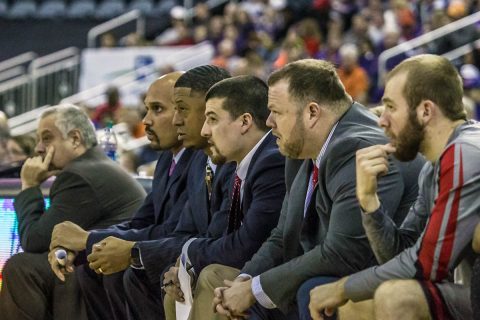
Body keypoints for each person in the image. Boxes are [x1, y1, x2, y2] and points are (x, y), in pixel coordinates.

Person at [211, 59, 425, 320]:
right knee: (222, 287)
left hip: (386, 277)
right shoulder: (299, 149)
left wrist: (254, 291)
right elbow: (282, 234)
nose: (268, 122)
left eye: (276, 112)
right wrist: (244, 281)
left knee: (310, 290)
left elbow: (344, 252)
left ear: (312, 113)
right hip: (331, 272)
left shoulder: (358, 147)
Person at [308, 54, 480, 320]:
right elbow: (399, 253)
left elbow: (427, 265)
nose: (382, 120)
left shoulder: (463, 153)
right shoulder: (434, 165)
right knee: (358, 303)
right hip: (471, 292)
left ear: (425, 111)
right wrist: (368, 200)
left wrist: (343, 287)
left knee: (395, 298)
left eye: (390, 107)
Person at [48, 72, 197, 320]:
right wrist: (88, 245)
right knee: (92, 265)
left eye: (157, 109)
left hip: (182, 255)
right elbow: (142, 222)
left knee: (122, 270)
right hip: (162, 250)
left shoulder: (200, 160)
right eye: (146, 109)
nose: (146, 120)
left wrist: (87, 239)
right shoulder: (166, 161)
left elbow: (173, 232)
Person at [0, 104, 146, 320]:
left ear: (75, 139)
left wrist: (29, 187)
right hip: (114, 270)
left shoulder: (80, 176)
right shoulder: (94, 166)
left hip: (113, 274)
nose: (39, 148)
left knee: (22, 267)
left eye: (47, 138)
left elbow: (34, 240)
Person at [162, 75, 286, 320]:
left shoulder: (271, 161)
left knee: (213, 277)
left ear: (244, 122)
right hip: (256, 269)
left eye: (212, 119)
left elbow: (245, 247)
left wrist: (188, 252)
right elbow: (220, 235)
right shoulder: (241, 164)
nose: (204, 130)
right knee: (178, 283)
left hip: (279, 276)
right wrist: (184, 263)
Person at [119, 65, 235, 319]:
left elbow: (237, 241)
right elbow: (182, 229)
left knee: (205, 276)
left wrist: (134, 252)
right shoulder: (191, 161)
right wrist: (93, 240)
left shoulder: (250, 162)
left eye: (180, 109)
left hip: (232, 269)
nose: (175, 120)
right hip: (198, 257)